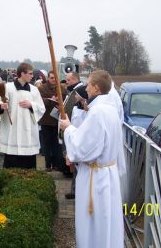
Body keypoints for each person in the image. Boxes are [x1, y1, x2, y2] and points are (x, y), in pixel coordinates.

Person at [59, 70, 125, 248]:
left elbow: (82, 148)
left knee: (95, 223)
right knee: (107, 219)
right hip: (108, 173)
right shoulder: (110, 110)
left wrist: (68, 128)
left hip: (95, 178)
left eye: (88, 85)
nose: (85, 88)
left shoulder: (98, 113)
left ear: (96, 88)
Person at [0, 62, 45, 169]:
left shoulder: (34, 89)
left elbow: (41, 108)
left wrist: (31, 105)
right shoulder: (7, 88)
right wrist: (1, 107)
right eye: (30, 73)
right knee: (12, 165)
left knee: (28, 166)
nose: (32, 76)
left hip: (28, 130)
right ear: (22, 73)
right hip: (12, 130)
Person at [38, 71, 67, 172]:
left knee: (56, 143)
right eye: (51, 78)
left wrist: (61, 103)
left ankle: (56, 164)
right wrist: (50, 100)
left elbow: (66, 100)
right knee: (46, 144)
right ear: (48, 78)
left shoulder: (62, 88)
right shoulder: (42, 88)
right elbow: (39, 101)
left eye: (55, 78)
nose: (53, 80)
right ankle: (48, 164)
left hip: (57, 120)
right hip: (46, 120)